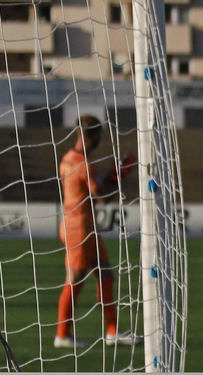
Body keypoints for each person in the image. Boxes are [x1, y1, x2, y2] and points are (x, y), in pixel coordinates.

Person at [54, 115, 138, 349]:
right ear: (91, 136)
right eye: (98, 138)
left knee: (106, 276)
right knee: (75, 279)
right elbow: (101, 197)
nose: (99, 143)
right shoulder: (82, 163)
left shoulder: (67, 159)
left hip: (83, 225)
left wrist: (110, 177)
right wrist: (119, 175)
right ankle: (62, 335)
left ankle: (113, 331)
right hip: (79, 227)